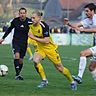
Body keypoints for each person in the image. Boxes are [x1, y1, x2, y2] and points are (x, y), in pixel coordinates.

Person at [28, 10, 77, 90]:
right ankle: (44, 80)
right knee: (35, 61)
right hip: (41, 49)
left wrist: (33, 37)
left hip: (50, 49)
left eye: (34, 18)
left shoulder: (44, 26)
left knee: (60, 68)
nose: (32, 20)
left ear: (39, 18)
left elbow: (46, 40)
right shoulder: (30, 24)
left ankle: (72, 82)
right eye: (31, 18)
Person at [64, 3, 96, 84]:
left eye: (87, 11)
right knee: (92, 67)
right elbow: (77, 25)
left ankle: (79, 77)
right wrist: (68, 23)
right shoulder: (88, 20)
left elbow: (95, 29)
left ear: (92, 11)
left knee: (83, 53)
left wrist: (83, 30)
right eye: (85, 11)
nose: (85, 13)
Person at [0, 7, 32, 80]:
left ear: (26, 14)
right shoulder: (15, 21)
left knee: (21, 60)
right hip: (16, 42)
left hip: (24, 43)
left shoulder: (29, 22)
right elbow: (9, 29)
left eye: (24, 13)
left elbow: (35, 28)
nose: (22, 14)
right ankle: (17, 75)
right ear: (19, 14)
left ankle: (18, 73)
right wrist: (3, 38)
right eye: (21, 13)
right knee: (16, 56)